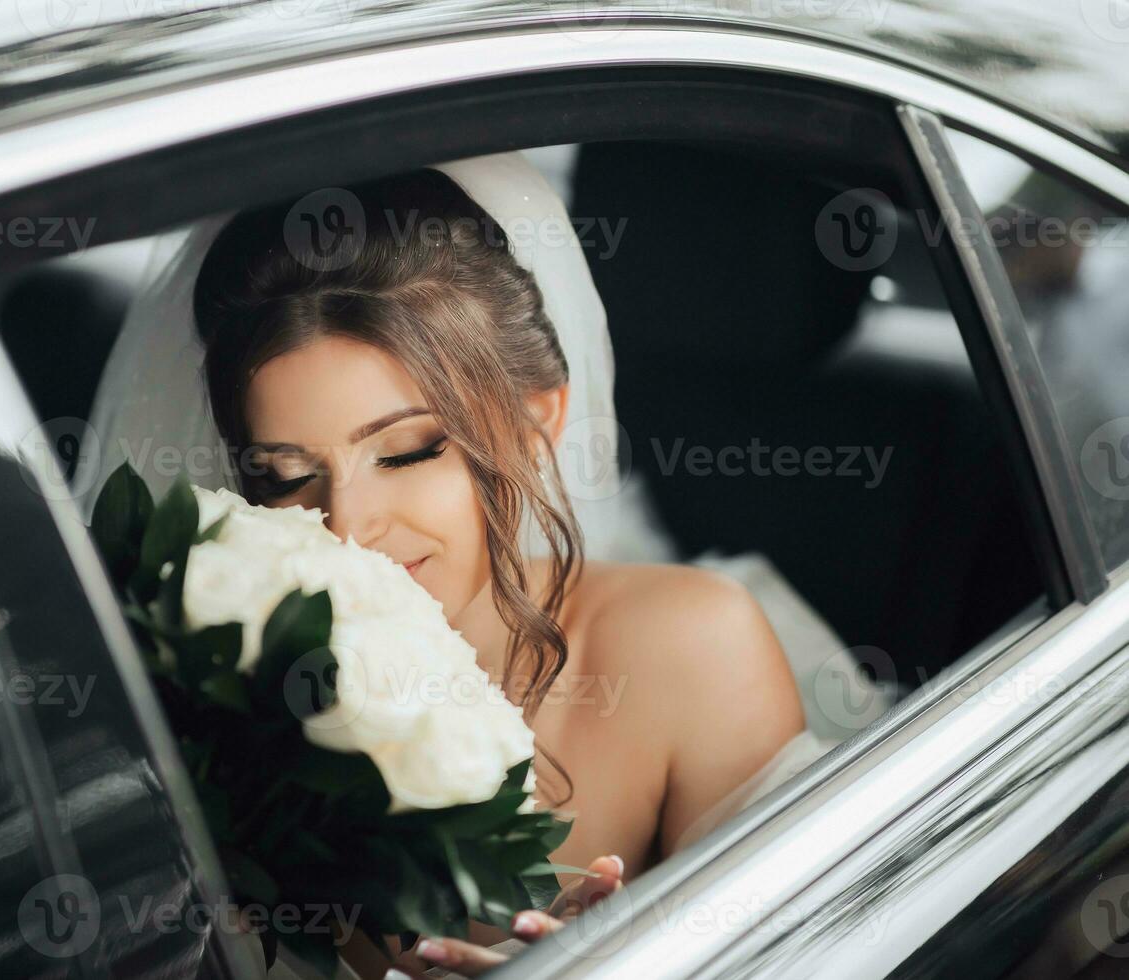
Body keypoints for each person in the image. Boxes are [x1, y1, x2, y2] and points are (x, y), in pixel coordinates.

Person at [84, 151, 814, 979]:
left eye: (407, 452)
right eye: (284, 478)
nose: (350, 528)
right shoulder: (212, 688)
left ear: (537, 427)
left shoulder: (688, 651)